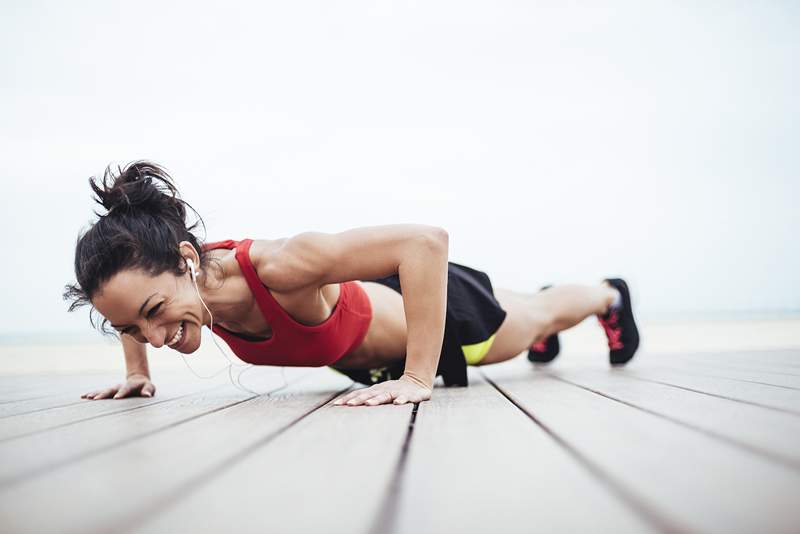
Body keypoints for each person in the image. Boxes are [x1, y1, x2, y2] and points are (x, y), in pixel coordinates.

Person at [63, 161, 640, 407]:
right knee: (531, 312)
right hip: (367, 359)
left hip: (441, 327)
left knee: (536, 315)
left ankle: (609, 294)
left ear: (187, 259)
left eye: (155, 312)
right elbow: (129, 307)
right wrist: (136, 373)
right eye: (132, 327)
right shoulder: (162, 289)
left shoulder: (280, 267)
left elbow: (425, 242)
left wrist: (419, 377)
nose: (155, 336)